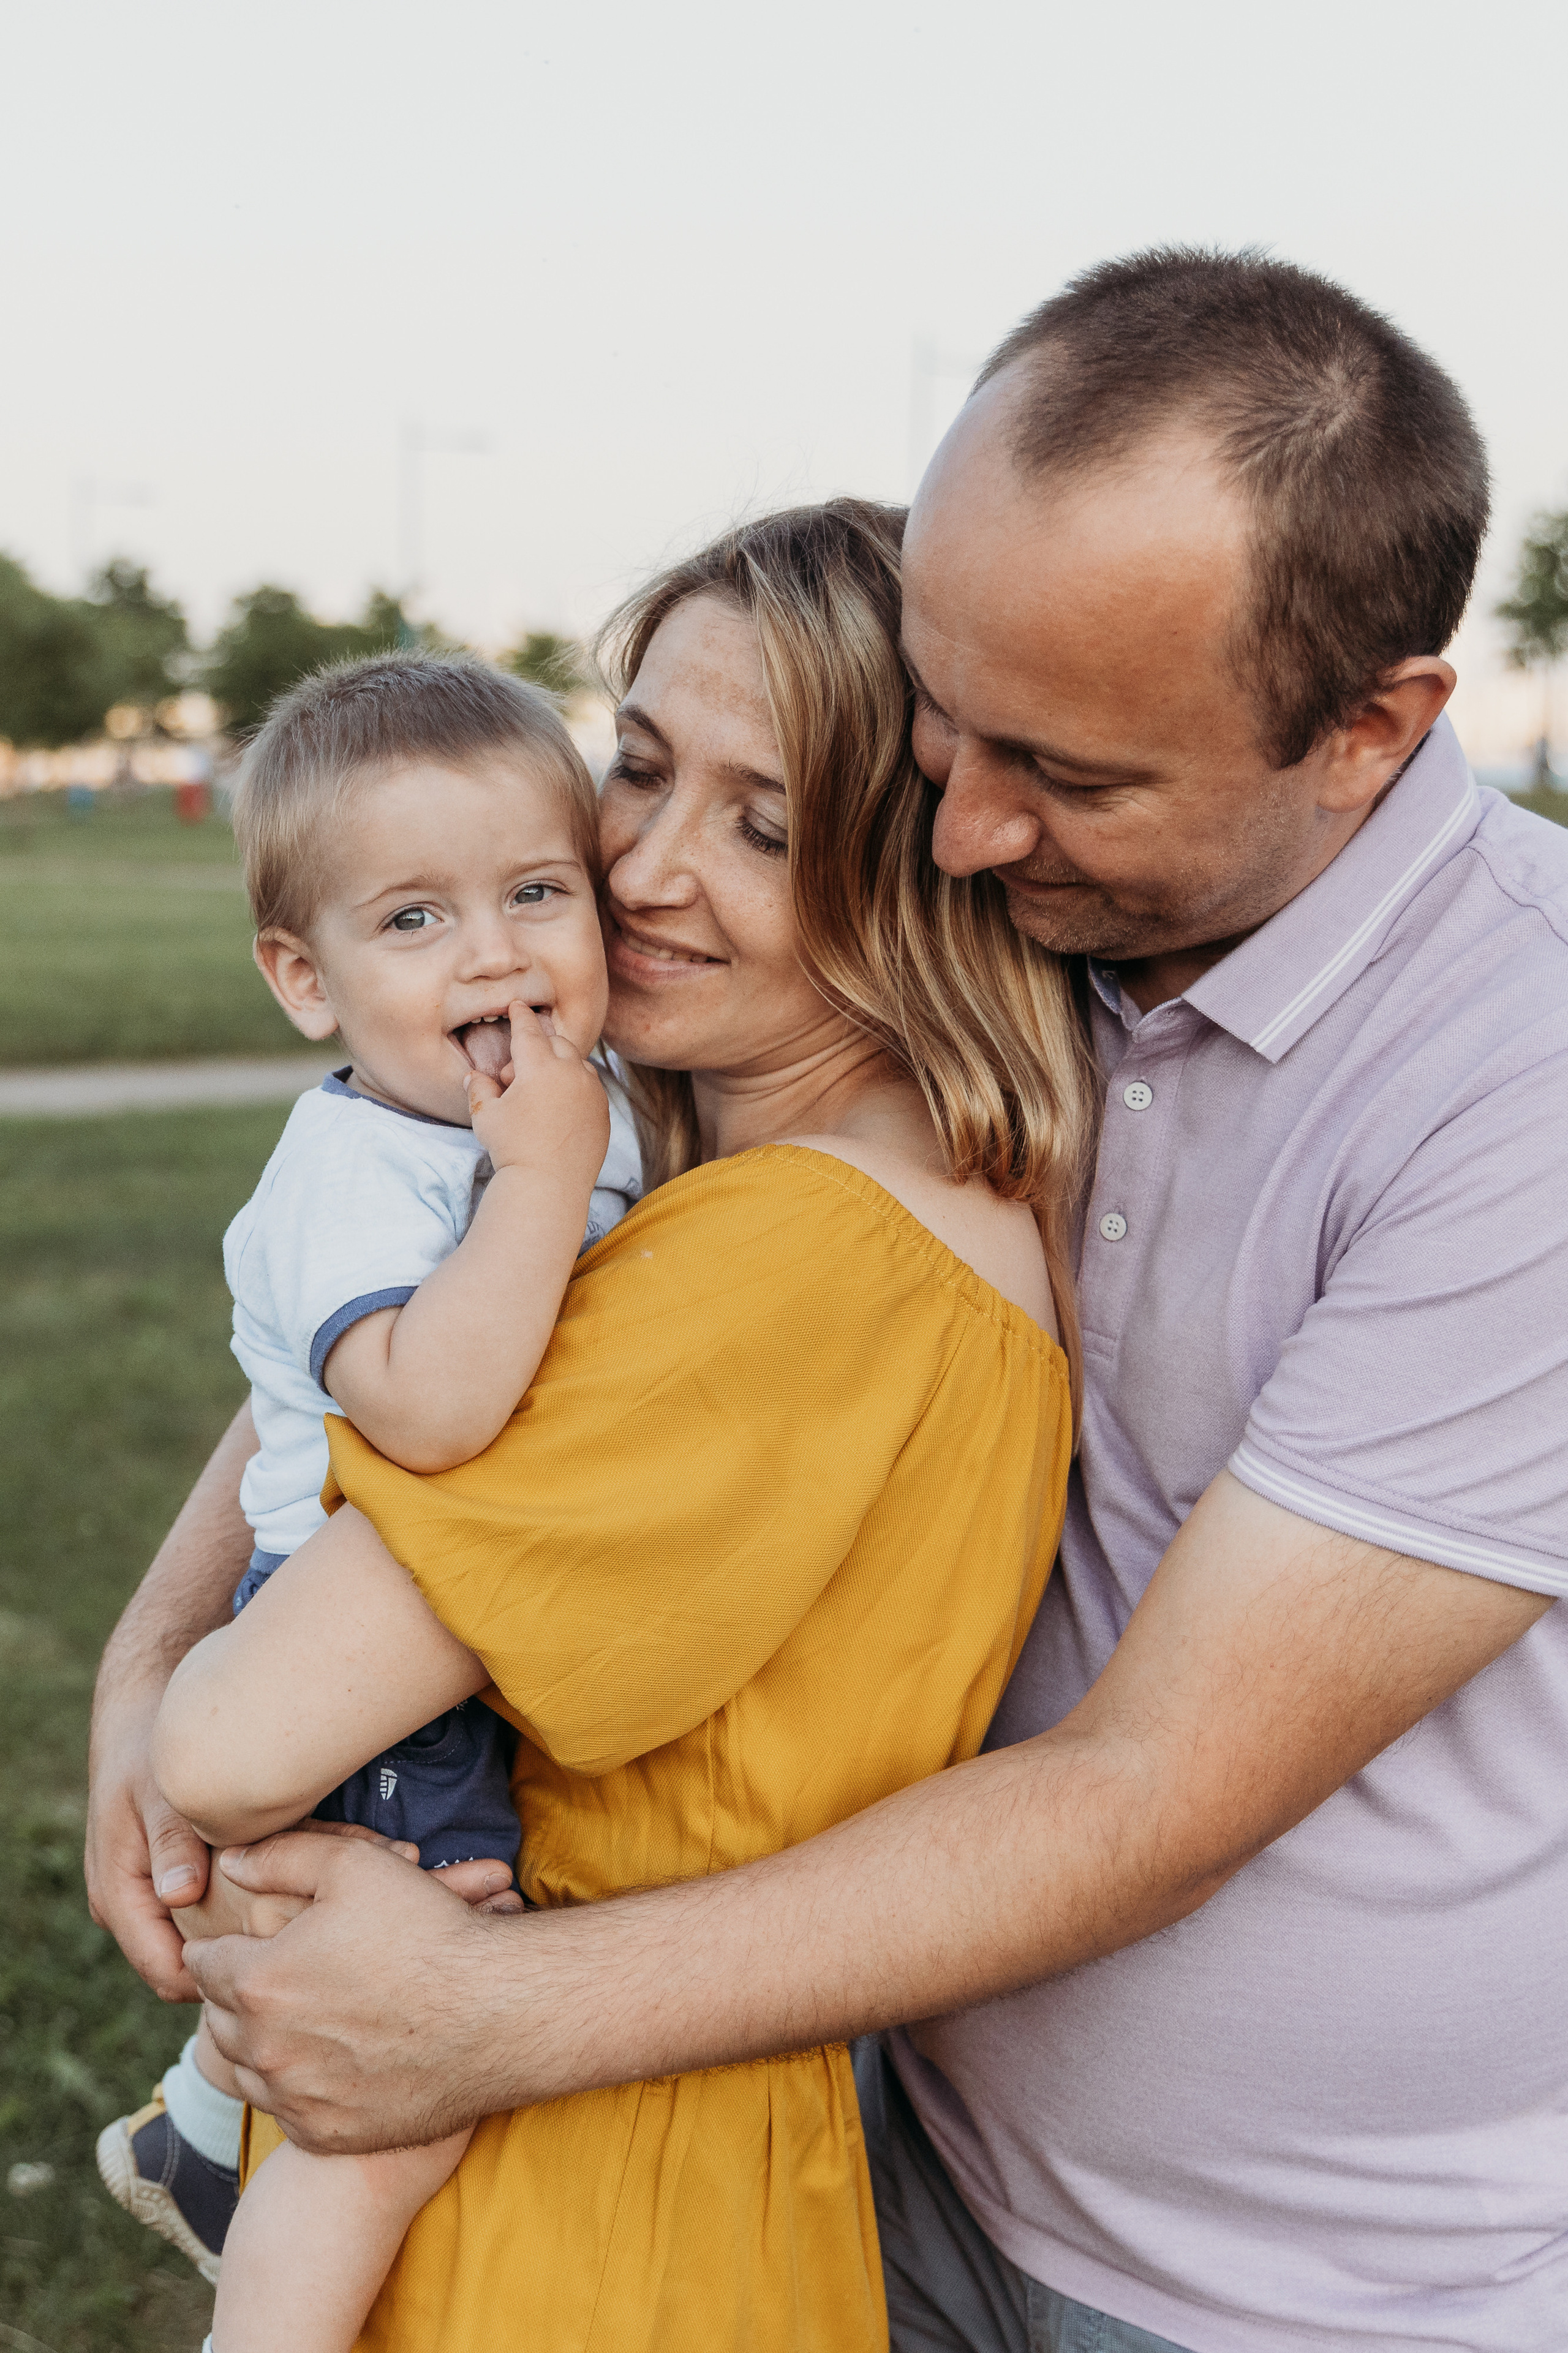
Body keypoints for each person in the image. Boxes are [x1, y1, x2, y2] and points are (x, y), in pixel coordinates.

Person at [87, 252, 1568, 2352]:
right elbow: (397, 1324)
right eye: (635, 763)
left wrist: (457, 1999)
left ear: (1370, 732)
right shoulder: (988, 985)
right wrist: (137, 1658)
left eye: (1042, 771)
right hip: (889, 2143)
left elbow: (1150, 1791)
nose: (971, 826)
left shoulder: (1512, 1074)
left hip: (1296, 2285)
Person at [100, 500, 1092, 2347]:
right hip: (616, 2164)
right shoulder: (787, 1196)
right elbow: (363, 1381)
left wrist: (161, 1709)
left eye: (766, 825)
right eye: (634, 770)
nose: (635, 870)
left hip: (569, 2211)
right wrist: (140, 1649)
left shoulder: (795, 1256)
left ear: (920, 871)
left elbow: (235, 1740)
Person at [108, 651, 644, 2343]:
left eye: (537, 892)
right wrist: (546, 1177)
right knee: (393, 2104)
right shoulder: (353, 1168)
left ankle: (199, 2128)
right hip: (343, 1661)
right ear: (304, 976)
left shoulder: (567, 1104)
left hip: (444, 1636)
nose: (494, 953)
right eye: (413, 920)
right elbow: (427, 1408)